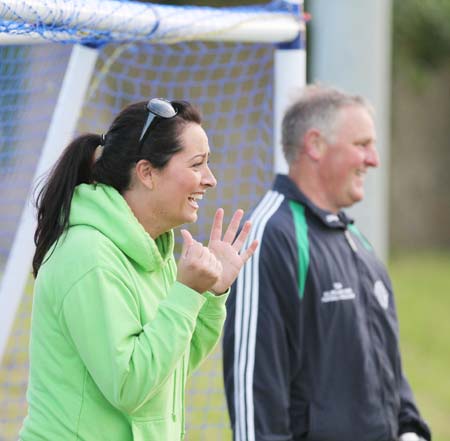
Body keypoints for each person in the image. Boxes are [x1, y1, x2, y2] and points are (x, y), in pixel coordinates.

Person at [19, 98, 258, 441]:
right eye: (197, 164)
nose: (210, 179)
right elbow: (129, 384)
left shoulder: (152, 248)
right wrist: (186, 293)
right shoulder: (89, 255)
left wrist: (210, 293)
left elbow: (170, 367)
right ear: (147, 172)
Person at [222, 85, 431, 441]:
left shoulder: (355, 240)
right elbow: (254, 394)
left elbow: (387, 371)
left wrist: (410, 429)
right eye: (362, 145)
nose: (374, 160)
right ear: (316, 145)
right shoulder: (269, 235)